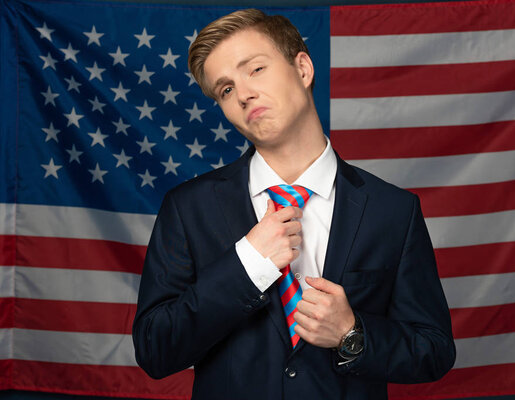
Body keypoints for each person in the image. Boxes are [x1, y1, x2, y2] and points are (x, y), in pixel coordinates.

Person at [132, 9, 455, 400]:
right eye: (226, 89)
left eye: (255, 69)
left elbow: (434, 351)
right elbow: (154, 349)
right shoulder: (187, 208)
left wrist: (351, 334)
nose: (244, 94)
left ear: (302, 68)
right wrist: (248, 264)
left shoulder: (393, 210)